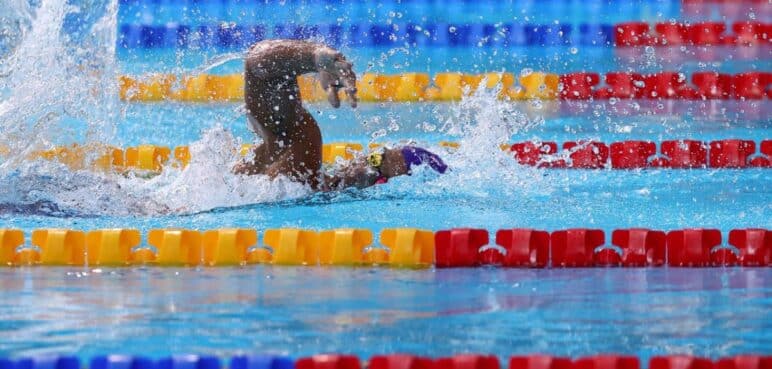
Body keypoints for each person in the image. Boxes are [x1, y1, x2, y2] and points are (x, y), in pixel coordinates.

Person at [233, 39, 447, 191]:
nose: (368, 160)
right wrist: (316, 58)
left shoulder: (297, 156)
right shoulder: (296, 157)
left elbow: (256, 61)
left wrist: (316, 58)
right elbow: (257, 59)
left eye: (375, 164)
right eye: (374, 158)